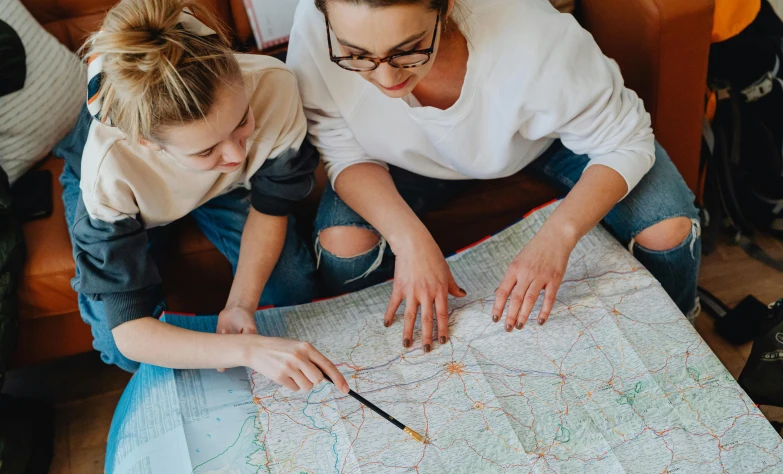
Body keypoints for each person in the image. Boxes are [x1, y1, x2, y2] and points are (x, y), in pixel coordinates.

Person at [287, 0, 702, 352]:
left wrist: (558, 237)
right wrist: (408, 239)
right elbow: (343, 149)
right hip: (396, 161)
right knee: (345, 247)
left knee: (667, 231)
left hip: (544, 143)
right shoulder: (317, 21)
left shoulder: (533, 36)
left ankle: (680, 347)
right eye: (356, 54)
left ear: (445, 7)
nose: (386, 79)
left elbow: (625, 142)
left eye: (408, 50)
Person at [60, 0, 348, 394]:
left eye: (242, 122)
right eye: (206, 150)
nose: (236, 157)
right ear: (148, 144)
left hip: (219, 192)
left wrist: (241, 306)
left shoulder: (272, 84)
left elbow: (271, 207)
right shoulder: (108, 171)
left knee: (292, 291)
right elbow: (130, 334)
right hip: (134, 205)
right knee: (119, 349)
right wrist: (242, 350)